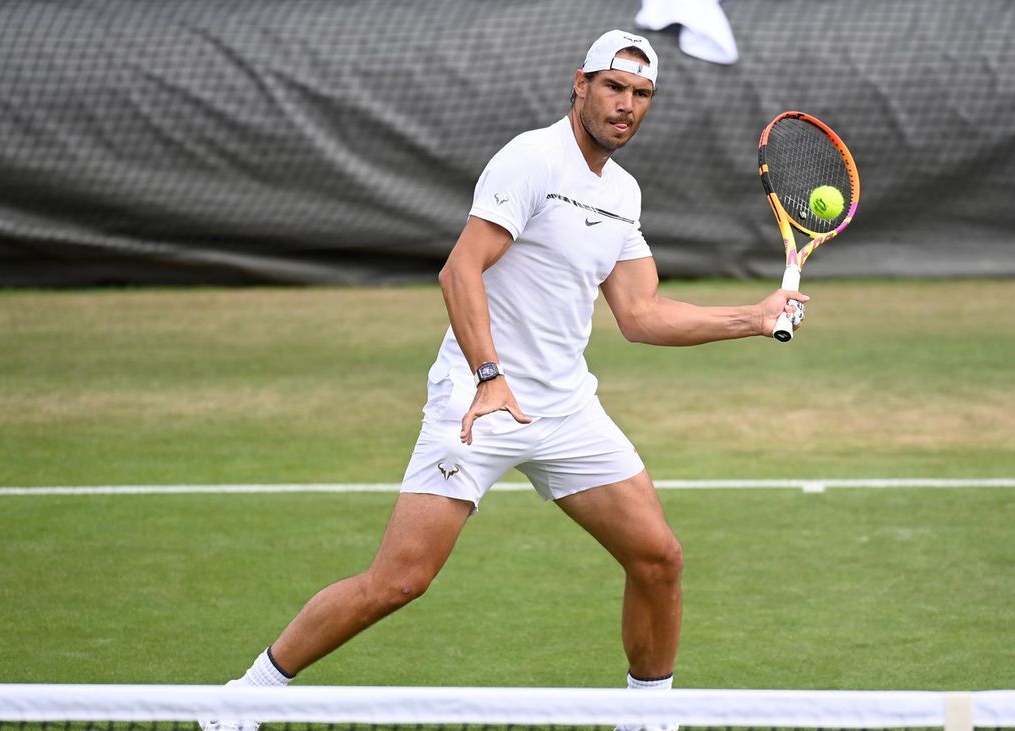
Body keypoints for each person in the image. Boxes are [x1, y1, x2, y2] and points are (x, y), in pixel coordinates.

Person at [202, 29, 806, 727]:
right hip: (478, 399)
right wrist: (489, 375)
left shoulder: (623, 192)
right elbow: (459, 270)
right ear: (579, 85)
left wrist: (754, 317)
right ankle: (245, 695)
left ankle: (649, 718)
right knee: (399, 580)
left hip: (564, 406)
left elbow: (641, 314)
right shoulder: (531, 159)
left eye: (642, 95)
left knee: (657, 557)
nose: (626, 106)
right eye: (614, 87)